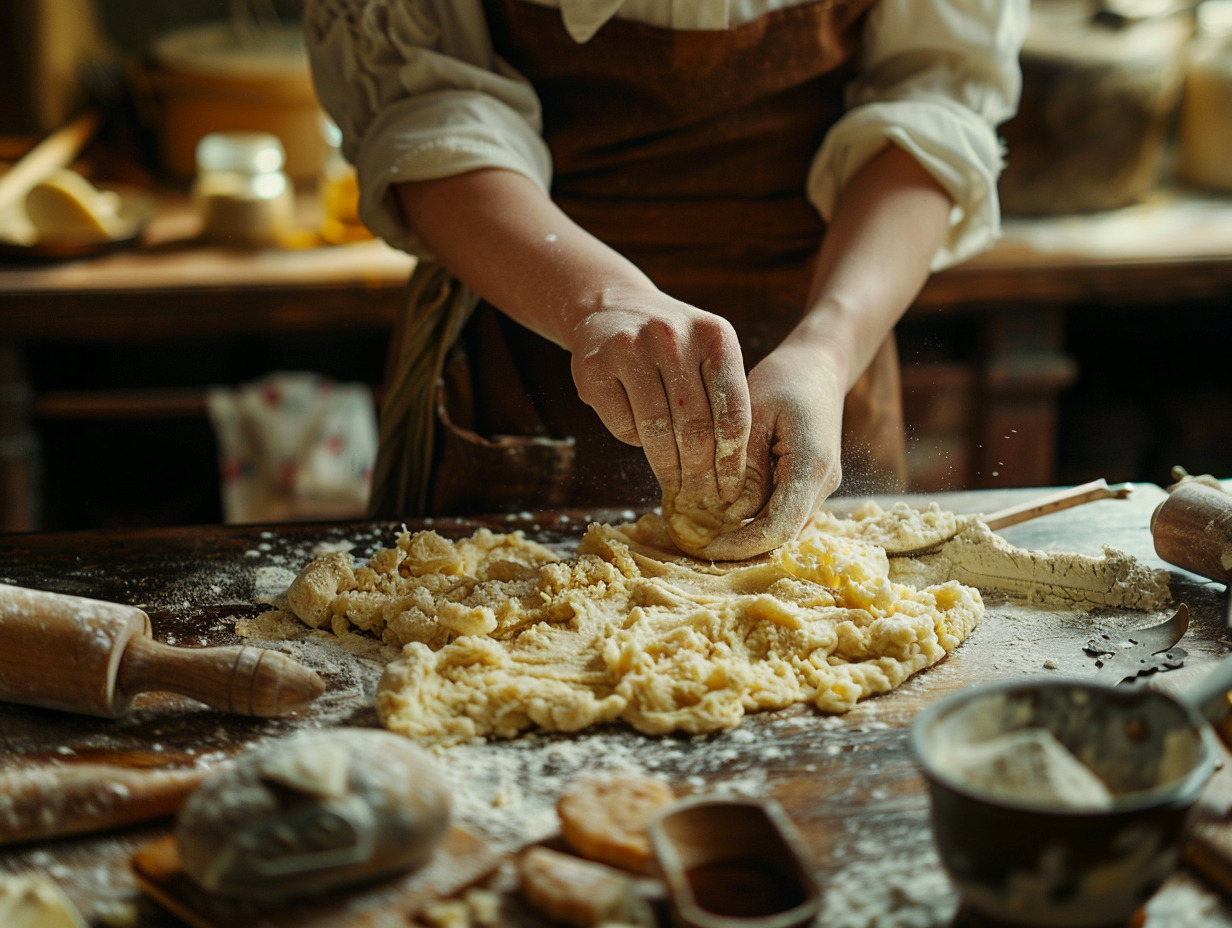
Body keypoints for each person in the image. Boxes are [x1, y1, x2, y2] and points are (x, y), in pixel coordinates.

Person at [304, 0, 1028, 559]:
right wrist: (596, 299)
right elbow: (424, 111)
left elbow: (933, 96)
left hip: (830, 312)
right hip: (529, 312)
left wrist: (829, 350)